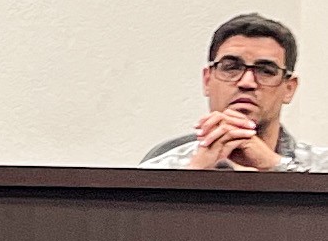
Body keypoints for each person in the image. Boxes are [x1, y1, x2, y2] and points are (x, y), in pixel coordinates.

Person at [140, 16, 327, 172]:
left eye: (266, 71)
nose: (247, 82)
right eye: (231, 67)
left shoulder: (320, 167)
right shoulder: (162, 168)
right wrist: (192, 178)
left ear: (289, 89)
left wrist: (277, 166)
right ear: (207, 80)